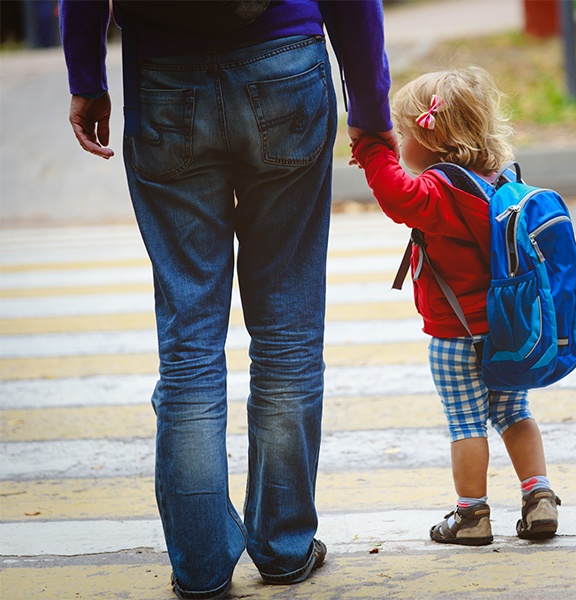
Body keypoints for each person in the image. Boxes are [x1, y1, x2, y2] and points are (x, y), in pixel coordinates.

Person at [59, 1, 395, 598]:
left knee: (188, 344)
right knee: (287, 330)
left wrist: (87, 78)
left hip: (164, 76)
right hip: (287, 66)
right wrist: (368, 107)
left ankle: (201, 564)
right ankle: (284, 547)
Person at [351, 66, 560, 546]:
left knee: (466, 422)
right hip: (509, 331)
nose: (400, 144)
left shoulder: (442, 192)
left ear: (430, 138)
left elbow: (396, 195)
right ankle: (539, 496)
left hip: (455, 335)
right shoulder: (500, 182)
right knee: (514, 411)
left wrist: (370, 149)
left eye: (403, 134)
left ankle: (471, 516)